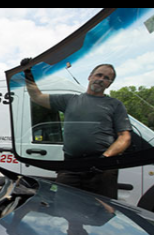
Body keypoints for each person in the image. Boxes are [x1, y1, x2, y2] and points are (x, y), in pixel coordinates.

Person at [21, 59, 132, 199]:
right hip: (71, 166)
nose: (101, 79)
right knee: (65, 207)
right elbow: (37, 97)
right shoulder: (69, 100)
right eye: (98, 75)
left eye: (106, 78)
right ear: (90, 77)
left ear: (109, 84)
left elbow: (125, 137)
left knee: (102, 212)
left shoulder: (115, 105)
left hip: (102, 168)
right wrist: (28, 73)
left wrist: (104, 159)